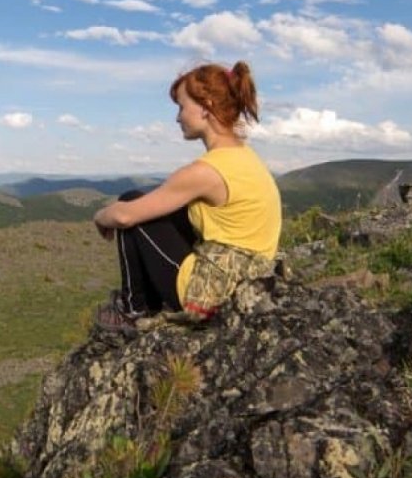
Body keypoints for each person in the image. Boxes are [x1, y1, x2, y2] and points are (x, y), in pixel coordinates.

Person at [92, 61, 282, 331]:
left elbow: (123, 217)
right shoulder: (245, 159)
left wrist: (100, 216)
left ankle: (133, 311)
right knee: (146, 204)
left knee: (128, 203)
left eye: (182, 107)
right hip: (251, 284)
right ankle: (143, 304)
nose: (178, 117)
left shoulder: (205, 172)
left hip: (214, 293)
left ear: (205, 107)